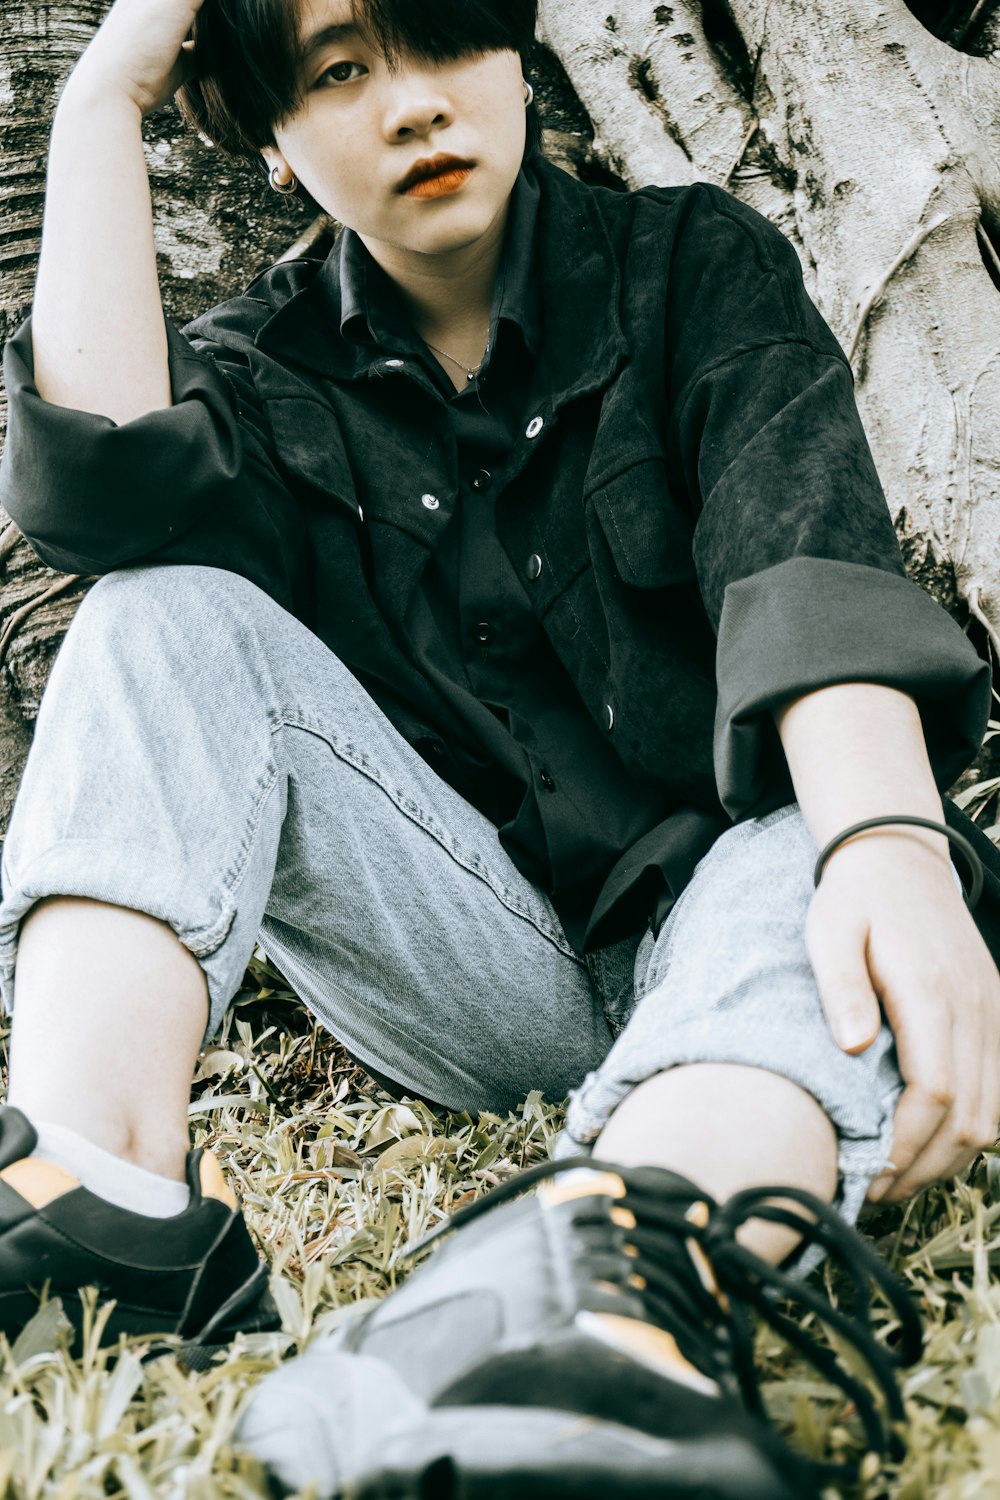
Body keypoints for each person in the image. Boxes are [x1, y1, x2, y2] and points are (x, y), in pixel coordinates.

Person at [0, 0, 998, 1492]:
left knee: (819, 833)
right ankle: (99, 1203)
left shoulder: (690, 265)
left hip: (742, 911)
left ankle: (599, 1297)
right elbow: (97, 490)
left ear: (516, 56)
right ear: (271, 146)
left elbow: (807, 570)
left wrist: (897, 850)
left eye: (443, 40)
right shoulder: (258, 373)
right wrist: (103, 93)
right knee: (161, 612)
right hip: (479, 962)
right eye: (338, 72)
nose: (411, 107)